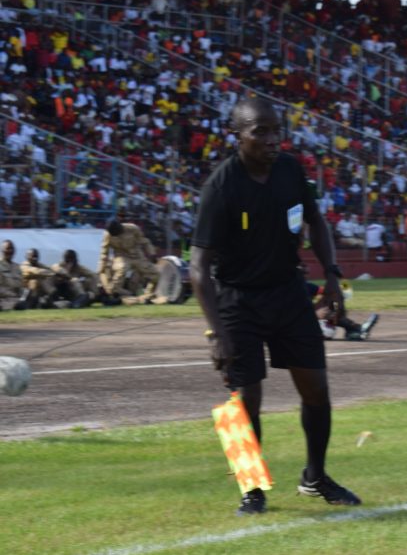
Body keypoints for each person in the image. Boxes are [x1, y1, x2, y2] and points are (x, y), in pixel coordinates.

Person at [189, 97, 362, 516]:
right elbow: (198, 268)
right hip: (237, 301)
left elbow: (315, 221)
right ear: (238, 137)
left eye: (276, 131)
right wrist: (216, 333)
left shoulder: (290, 170)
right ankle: (251, 489)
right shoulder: (221, 187)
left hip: (288, 293)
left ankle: (315, 477)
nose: (271, 140)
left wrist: (332, 275)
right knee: (245, 399)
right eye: (260, 132)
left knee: (316, 388)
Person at [97, 219, 162, 304]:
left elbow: (144, 241)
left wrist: (152, 253)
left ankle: (148, 295)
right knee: (122, 268)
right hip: (121, 256)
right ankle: (115, 292)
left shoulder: (132, 228)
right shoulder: (107, 235)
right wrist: (101, 269)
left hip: (137, 256)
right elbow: (104, 252)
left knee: (156, 275)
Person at [0, 239, 28, 310]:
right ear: (2, 250)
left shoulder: (17, 267)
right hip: (3, 299)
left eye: (12, 248)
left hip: (15, 299)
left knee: (22, 304)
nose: (10, 251)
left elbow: (20, 285)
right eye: (7, 248)